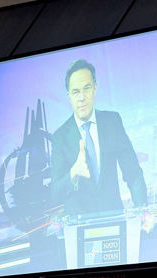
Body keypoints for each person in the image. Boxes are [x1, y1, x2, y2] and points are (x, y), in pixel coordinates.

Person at [49, 59, 147, 222]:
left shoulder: (112, 122)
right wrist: (74, 173)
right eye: (75, 92)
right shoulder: (60, 137)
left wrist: (142, 209)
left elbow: (133, 172)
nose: (81, 97)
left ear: (95, 88)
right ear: (69, 97)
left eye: (86, 88)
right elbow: (55, 194)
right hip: (79, 227)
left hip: (114, 220)